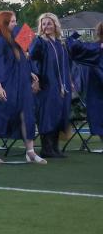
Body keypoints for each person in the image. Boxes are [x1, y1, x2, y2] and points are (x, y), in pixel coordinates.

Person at [0, 11, 45, 164]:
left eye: (15, 21)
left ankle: (30, 152)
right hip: (6, 83)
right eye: (12, 21)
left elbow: (24, 58)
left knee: (27, 115)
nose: (15, 24)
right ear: (4, 24)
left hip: (22, 82)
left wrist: (30, 72)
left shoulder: (16, 40)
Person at [29, 13, 72, 158]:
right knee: (48, 115)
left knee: (59, 114)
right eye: (43, 24)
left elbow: (65, 65)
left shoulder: (60, 43)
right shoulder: (39, 41)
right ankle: (46, 149)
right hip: (47, 84)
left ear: (55, 25)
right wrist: (35, 78)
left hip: (61, 85)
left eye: (49, 23)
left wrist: (68, 80)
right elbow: (31, 60)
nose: (46, 26)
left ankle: (55, 147)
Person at [67, 22, 103, 140]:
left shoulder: (95, 48)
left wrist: (74, 36)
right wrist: (75, 36)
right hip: (97, 90)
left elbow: (73, 47)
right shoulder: (96, 48)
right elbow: (73, 47)